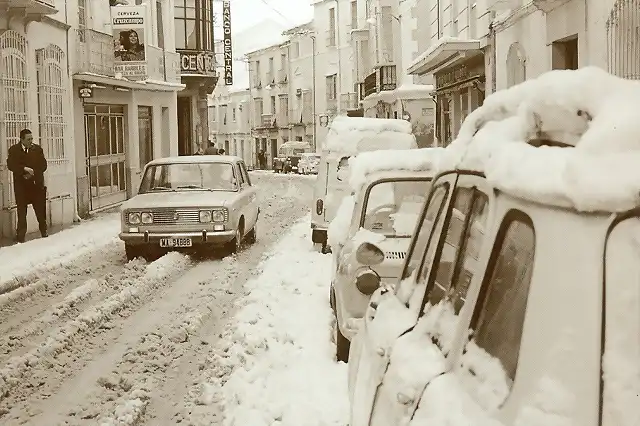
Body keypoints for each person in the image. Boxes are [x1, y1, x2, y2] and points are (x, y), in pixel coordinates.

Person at [7, 129, 48, 242]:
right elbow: (11, 165)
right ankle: (20, 237)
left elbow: (43, 166)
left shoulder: (37, 150)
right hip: (21, 187)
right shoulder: (14, 150)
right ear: (22, 140)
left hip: (36, 185)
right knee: (21, 212)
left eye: (31, 139)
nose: (31, 141)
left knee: (40, 211)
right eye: (28, 139)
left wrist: (33, 173)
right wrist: (24, 169)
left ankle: (44, 232)